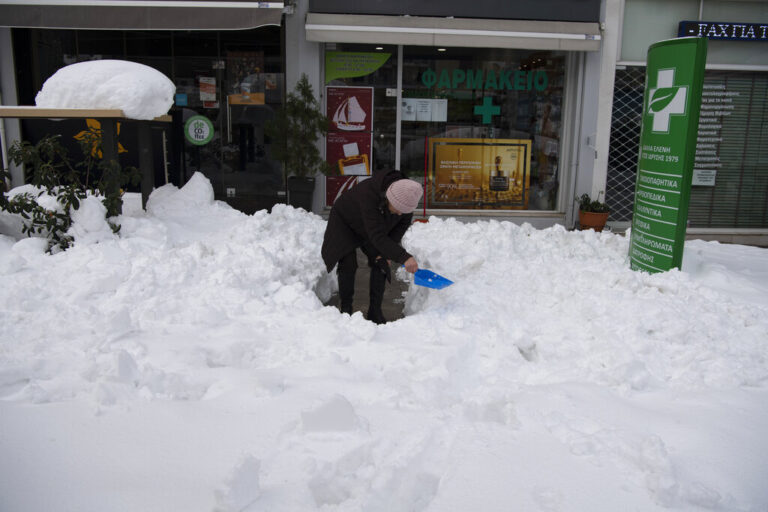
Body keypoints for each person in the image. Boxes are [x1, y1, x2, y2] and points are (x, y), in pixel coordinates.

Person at [321, 169, 423, 324]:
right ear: (389, 198)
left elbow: (397, 231)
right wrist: (404, 257)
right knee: (348, 263)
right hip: (345, 220)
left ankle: (375, 312)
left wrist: (388, 254)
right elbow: (377, 236)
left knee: (381, 262)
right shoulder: (369, 195)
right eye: (398, 209)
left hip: (372, 225)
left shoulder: (407, 200)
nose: (400, 214)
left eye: (405, 212)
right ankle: (346, 310)